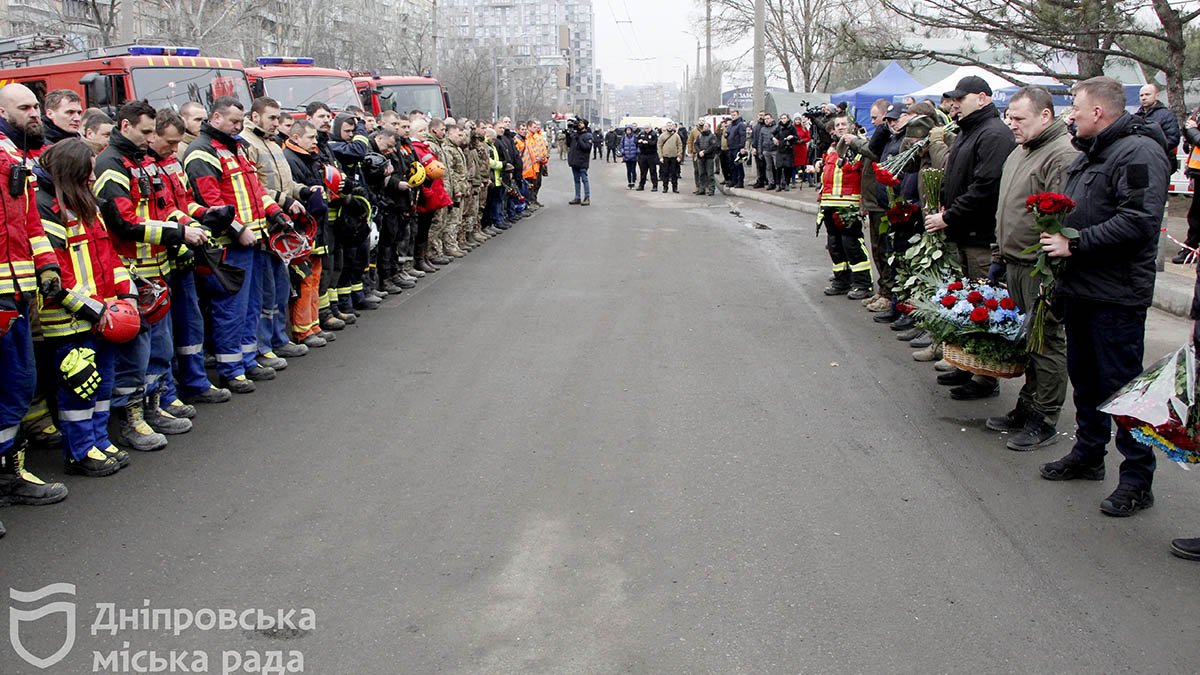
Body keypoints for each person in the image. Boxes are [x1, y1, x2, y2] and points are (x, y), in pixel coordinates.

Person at [1037, 76, 1172, 517]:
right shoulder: (1092, 153)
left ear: (1098, 111)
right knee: (1088, 381)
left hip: (1116, 295)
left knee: (1123, 391)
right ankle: (1089, 454)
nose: (1070, 114)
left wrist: (1073, 245)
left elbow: (1139, 221)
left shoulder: (1139, 152)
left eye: (1075, 107)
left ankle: (1137, 479)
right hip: (1082, 288)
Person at [94, 100, 199, 449]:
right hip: (131, 274)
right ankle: (131, 420)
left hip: (157, 270)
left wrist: (185, 224)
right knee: (133, 356)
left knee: (158, 349)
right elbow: (124, 223)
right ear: (124, 126)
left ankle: (154, 406)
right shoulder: (111, 165)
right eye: (145, 132)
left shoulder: (142, 161)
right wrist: (177, 234)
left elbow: (162, 208)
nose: (151, 138)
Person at [985, 86, 1077, 451]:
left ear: (1045, 115)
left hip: (1041, 267)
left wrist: (1052, 270)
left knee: (1047, 341)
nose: (1012, 125)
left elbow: (1062, 217)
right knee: (1029, 342)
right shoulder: (1020, 152)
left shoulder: (1061, 155)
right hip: (1015, 262)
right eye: (1009, 117)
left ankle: (1045, 417)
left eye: (1019, 119)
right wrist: (997, 255)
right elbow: (1006, 208)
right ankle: (1027, 405)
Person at [37, 139, 135, 476]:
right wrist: (93, 308)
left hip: (103, 314)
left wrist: (126, 292)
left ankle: (97, 439)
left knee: (102, 384)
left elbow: (108, 257)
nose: (93, 178)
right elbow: (55, 276)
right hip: (70, 320)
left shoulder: (86, 206)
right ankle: (79, 452)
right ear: (72, 174)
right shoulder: (47, 209)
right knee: (80, 388)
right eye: (87, 173)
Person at [183, 96, 292, 394]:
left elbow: (256, 191)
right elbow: (210, 203)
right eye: (233, 121)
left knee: (251, 306)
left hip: (254, 240)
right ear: (215, 118)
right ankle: (230, 369)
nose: (238, 127)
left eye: (240, 122)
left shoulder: (238, 148)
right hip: (228, 245)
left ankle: (246, 359)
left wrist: (276, 213)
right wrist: (237, 229)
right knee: (230, 309)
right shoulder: (201, 153)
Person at [0, 84, 70, 538]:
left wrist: (45, 265)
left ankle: (8, 475)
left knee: (18, 387)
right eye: (25, 108)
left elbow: (26, 223)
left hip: (18, 294)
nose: (34, 114)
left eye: (33, 107)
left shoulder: (14, 155)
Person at [923, 75, 1016, 401]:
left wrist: (948, 216)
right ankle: (965, 363)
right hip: (964, 233)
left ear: (983, 97)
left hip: (980, 236)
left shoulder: (993, 134)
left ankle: (985, 377)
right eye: (953, 100)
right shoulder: (968, 130)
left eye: (961, 99)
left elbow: (985, 187)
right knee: (965, 303)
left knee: (983, 303)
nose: (954, 104)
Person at [241, 96, 310, 368]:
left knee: (281, 288)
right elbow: (254, 187)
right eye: (271, 118)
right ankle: (263, 345)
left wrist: (301, 191)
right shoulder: (248, 144)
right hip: (263, 226)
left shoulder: (272, 143)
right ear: (255, 116)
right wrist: (283, 200)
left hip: (280, 229)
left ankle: (280, 339)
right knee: (265, 291)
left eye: (278, 118)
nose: (276, 123)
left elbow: (285, 180)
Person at [818, 113, 876, 300]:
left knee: (851, 244)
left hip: (849, 205)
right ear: (833, 129)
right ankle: (841, 280)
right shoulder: (832, 148)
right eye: (838, 125)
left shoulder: (860, 147)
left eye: (844, 124)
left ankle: (863, 284)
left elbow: (866, 177)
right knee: (834, 245)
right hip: (829, 204)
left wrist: (863, 203)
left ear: (851, 127)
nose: (841, 127)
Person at [566, 118, 592, 206]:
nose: (579, 124)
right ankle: (577, 197)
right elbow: (569, 144)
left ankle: (587, 197)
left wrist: (579, 139)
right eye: (578, 123)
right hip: (574, 161)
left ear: (585, 125)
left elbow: (587, 148)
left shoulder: (588, 135)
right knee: (576, 180)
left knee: (584, 180)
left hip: (582, 161)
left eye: (581, 123)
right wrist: (567, 134)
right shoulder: (575, 134)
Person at [694, 120, 720, 196]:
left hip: (709, 157)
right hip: (701, 157)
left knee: (710, 174)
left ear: (709, 127)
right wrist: (699, 152)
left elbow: (713, 146)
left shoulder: (712, 136)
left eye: (706, 126)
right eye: (704, 126)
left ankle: (711, 189)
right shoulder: (699, 136)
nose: (704, 128)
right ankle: (702, 188)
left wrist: (704, 152)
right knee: (701, 173)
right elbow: (696, 144)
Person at [657, 121, 683, 194]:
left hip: (674, 157)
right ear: (666, 126)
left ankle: (675, 188)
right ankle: (665, 188)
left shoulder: (676, 136)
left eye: (671, 125)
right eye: (668, 125)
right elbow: (659, 146)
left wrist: (679, 155)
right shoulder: (662, 136)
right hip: (665, 157)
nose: (669, 127)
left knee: (674, 173)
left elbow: (680, 145)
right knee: (665, 173)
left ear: (673, 126)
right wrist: (660, 156)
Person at [725, 110, 747, 188]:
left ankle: (740, 181)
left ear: (738, 115)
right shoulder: (731, 125)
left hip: (737, 147)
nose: (733, 116)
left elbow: (742, 136)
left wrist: (742, 147)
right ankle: (734, 180)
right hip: (731, 147)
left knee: (738, 165)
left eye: (734, 115)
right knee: (731, 165)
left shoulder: (741, 125)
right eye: (732, 115)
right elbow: (728, 133)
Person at [635, 125, 659, 191]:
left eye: (647, 128)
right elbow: (635, 140)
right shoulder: (641, 133)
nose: (646, 129)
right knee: (643, 172)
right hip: (643, 155)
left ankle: (655, 186)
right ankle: (641, 185)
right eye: (645, 128)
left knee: (653, 171)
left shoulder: (654, 134)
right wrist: (639, 141)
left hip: (651, 155)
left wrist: (648, 142)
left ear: (650, 128)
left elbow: (654, 143)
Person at [620, 125, 638, 189]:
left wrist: (637, 152)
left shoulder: (635, 137)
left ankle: (633, 182)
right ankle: (629, 182)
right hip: (627, 156)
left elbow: (638, 146)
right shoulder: (624, 138)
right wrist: (623, 151)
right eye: (627, 130)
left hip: (634, 156)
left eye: (629, 130)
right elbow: (621, 146)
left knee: (633, 170)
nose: (628, 131)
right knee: (628, 170)